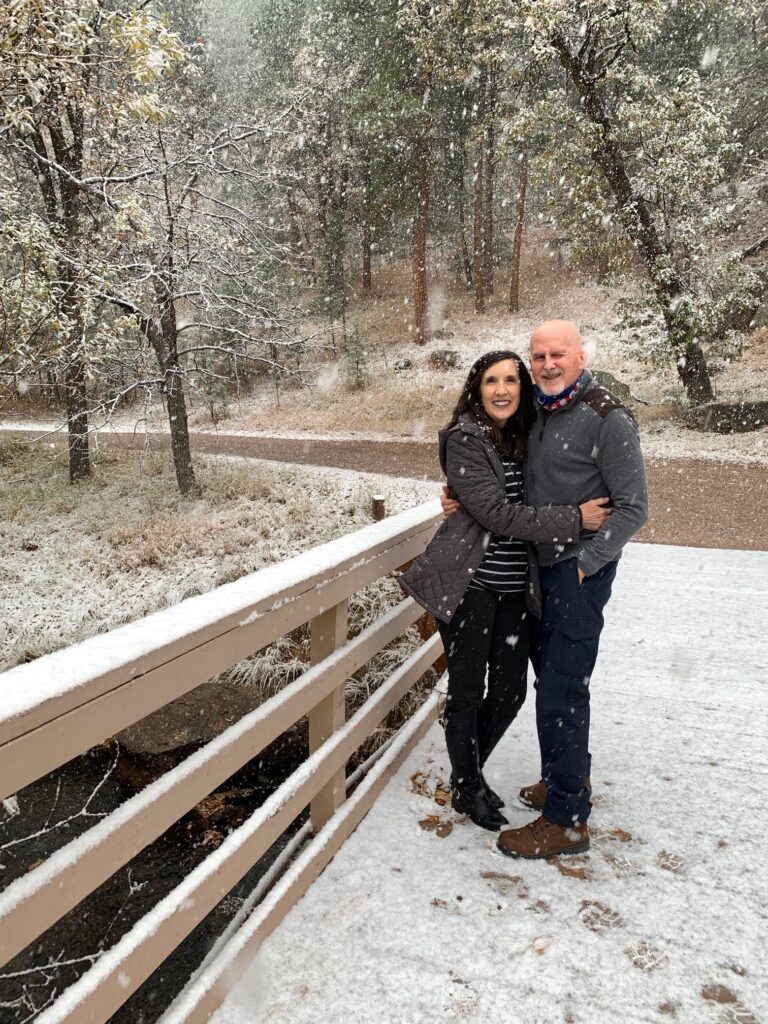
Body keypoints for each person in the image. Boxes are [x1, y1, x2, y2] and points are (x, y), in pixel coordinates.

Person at [441, 321, 648, 858]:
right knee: (552, 683)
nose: (548, 364)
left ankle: (566, 820)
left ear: (581, 355)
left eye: (559, 353)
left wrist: (588, 563)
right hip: (536, 572)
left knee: (562, 686)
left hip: (574, 573)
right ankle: (565, 782)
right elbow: (495, 460)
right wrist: (459, 493)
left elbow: (633, 508)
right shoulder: (540, 409)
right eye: (539, 355)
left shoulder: (609, 417)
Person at [399, 350, 612, 832]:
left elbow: (554, 479)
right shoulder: (464, 440)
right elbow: (497, 514)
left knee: (512, 692)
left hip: (516, 588)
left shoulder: (527, 435)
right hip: (470, 586)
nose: (501, 390)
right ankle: (468, 785)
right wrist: (575, 519)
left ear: (523, 388)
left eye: (511, 380)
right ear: (477, 388)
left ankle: (464, 773)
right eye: (491, 381)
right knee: (468, 691)